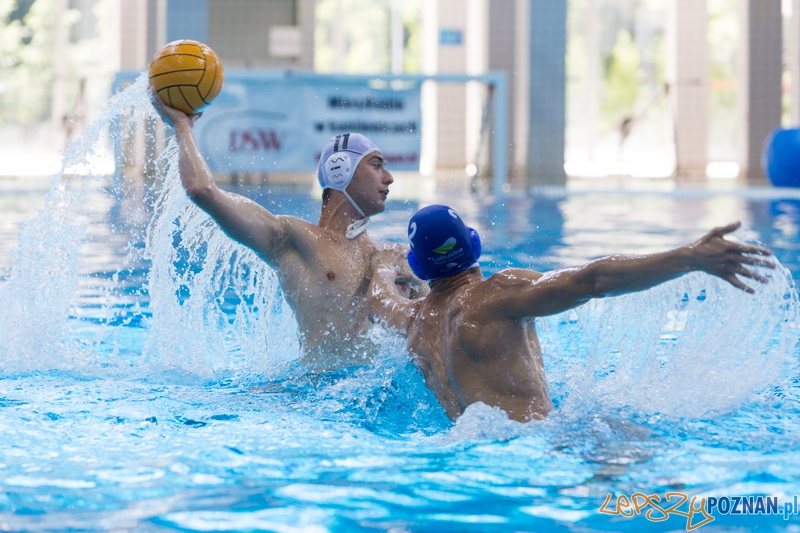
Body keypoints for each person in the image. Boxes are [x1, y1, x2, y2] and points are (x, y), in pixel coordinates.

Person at [367, 204, 776, 423]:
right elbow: (592, 280)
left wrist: (385, 265)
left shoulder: (413, 322)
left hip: (465, 449)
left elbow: (378, 300)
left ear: (419, 267)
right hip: (538, 440)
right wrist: (688, 257)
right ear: (474, 246)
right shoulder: (496, 296)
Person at [150, 90, 424, 372]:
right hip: (316, 396)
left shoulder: (399, 258)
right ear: (340, 170)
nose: (389, 178)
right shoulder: (293, 238)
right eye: (376, 165)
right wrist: (182, 126)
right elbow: (203, 191)